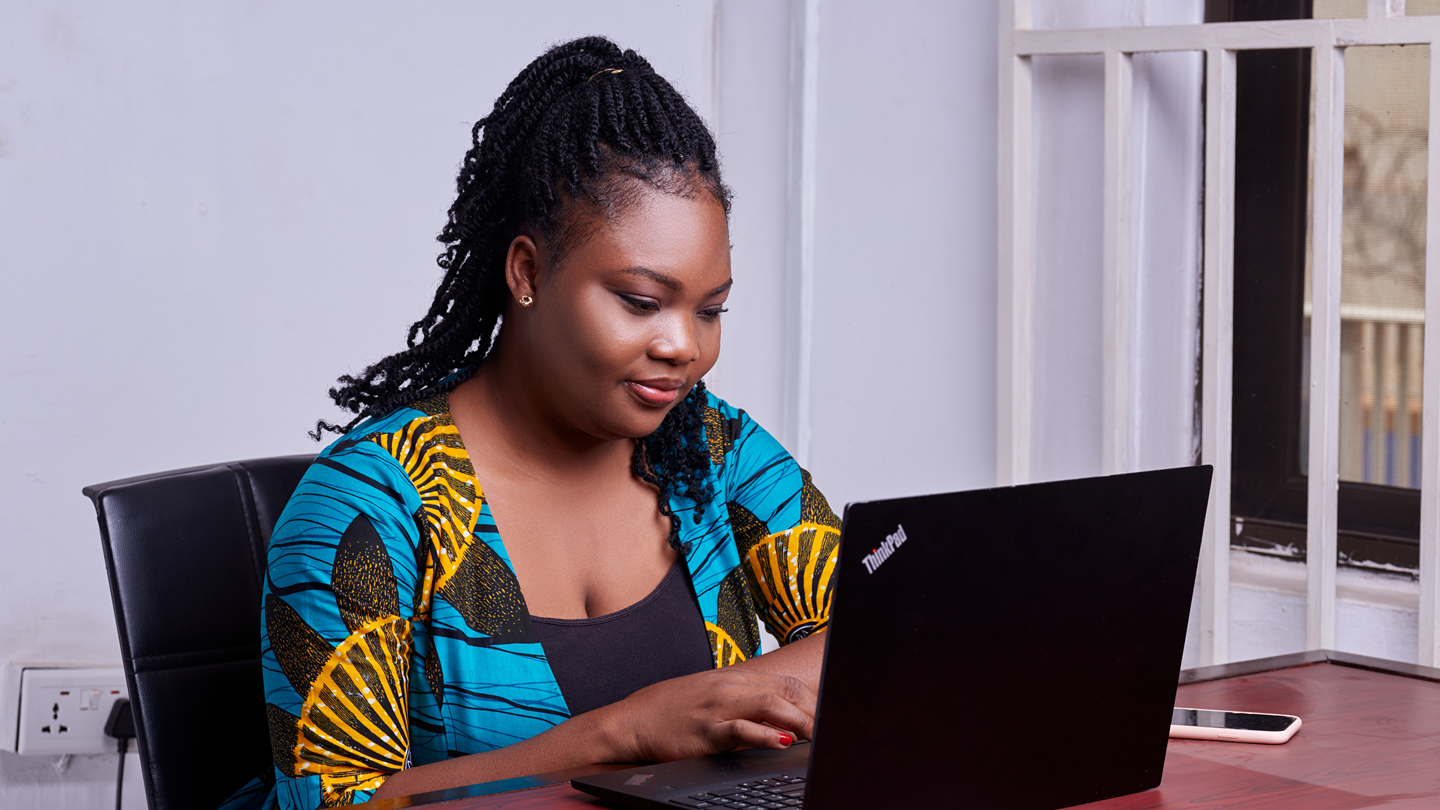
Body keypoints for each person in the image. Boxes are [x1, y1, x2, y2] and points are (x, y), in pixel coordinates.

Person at [220, 36, 841, 810]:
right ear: (527, 272)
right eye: (641, 302)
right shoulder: (370, 509)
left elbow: (885, 643)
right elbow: (333, 806)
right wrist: (628, 734)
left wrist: (719, 700)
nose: (684, 346)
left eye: (710, 310)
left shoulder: (711, 450)